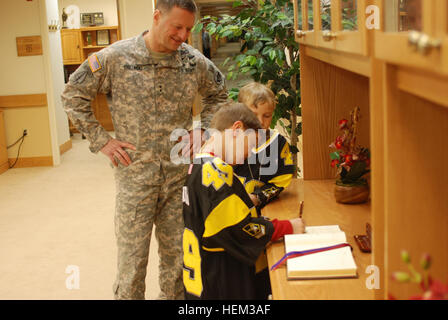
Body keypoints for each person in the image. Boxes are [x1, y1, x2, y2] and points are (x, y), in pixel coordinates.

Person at [61, 0, 228, 300]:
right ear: (156, 16)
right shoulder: (115, 58)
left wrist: (204, 130)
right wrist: (103, 141)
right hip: (135, 179)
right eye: (177, 27)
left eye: (189, 29)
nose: (183, 36)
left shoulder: (192, 61)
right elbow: (72, 95)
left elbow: (219, 92)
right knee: (132, 267)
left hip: (179, 178)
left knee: (178, 263)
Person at [182, 102, 305, 299]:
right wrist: (286, 227)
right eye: (251, 146)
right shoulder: (215, 173)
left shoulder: (199, 165)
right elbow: (239, 229)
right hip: (220, 283)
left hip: (204, 277)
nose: (249, 155)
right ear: (237, 130)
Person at [235, 82, 295, 211]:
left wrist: (258, 197)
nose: (260, 121)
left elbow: (281, 180)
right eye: (253, 115)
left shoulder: (278, 143)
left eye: (266, 116)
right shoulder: (229, 141)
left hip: (265, 209)